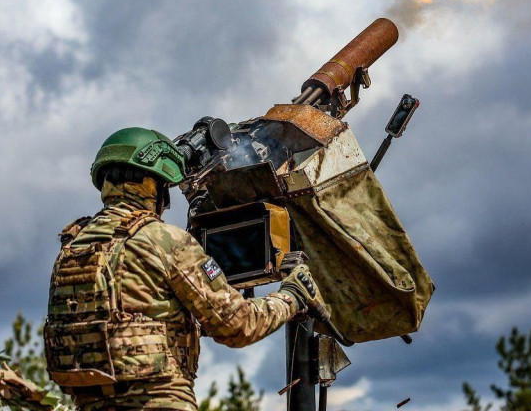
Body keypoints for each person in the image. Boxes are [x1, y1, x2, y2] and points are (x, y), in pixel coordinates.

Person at [44, 127, 324, 411]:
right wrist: (291, 296)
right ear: (154, 188)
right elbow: (238, 325)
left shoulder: (71, 249)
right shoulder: (163, 240)